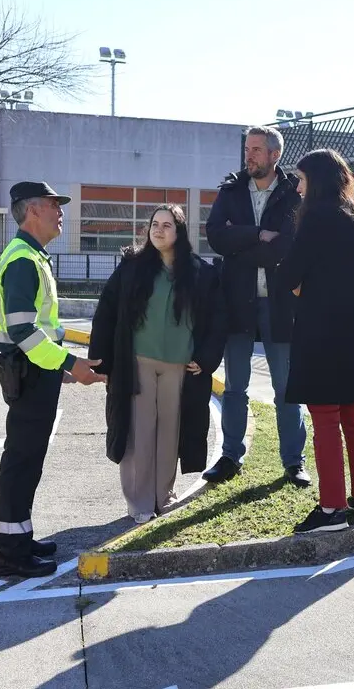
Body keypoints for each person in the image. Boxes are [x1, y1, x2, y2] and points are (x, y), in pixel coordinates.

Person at [0, 180, 106, 579]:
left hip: (35, 372)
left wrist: (61, 367)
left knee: (26, 461)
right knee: (22, 461)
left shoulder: (30, 256)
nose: (61, 214)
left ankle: (19, 539)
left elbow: (39, 328)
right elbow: (24, 331)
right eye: (55, 206)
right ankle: (9, 552)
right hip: (29, 373)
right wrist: (70, 364)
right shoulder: (23, 260)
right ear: (32, 210)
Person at [89, 205, 228, 523]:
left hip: (180, 367)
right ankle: (138, 502)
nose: (159, 230)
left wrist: (206, 359)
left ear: (179, 232)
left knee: (169, 433)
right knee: (139, 433)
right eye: (154, 224)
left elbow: (218, 320)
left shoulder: (200, 273)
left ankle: (163, 496)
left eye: (167, 225)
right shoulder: (132, 266)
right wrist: (103, 362)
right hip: (137, 363)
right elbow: (107, 311)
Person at [276, 149, 354, 534]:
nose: (298, 187)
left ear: (317, 179)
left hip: (322, 330)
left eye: (302, 179)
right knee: (353, 414)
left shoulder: (317, 216)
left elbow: (290, 272)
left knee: (324, 417)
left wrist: (297, 281)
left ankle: (333, 509)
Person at [202, 126, 310, 488]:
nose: (249, 155)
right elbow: (216, 235)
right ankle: (230, 457)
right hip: (237, 302)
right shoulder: (230, 191)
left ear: (275, 154)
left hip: (281, 303)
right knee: (235, 386)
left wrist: (243, 242)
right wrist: (258, 235)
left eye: (257, 150)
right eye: (247, 148)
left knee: (287, 389)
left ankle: (294, 463)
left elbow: (293, 243)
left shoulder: (293, 191)